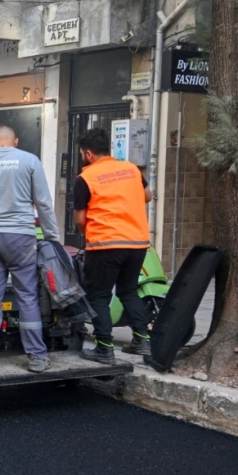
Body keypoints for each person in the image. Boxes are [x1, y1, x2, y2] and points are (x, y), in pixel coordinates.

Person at [0, 125, 61, 373]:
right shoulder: (29, 160)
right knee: (27, 296)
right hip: (21, 238)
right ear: (15, 141)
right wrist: (52, 237)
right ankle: (37, 357)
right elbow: (43, 203)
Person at [73, 127, 154, 362]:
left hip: (105, 245)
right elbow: (147, 196)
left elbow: (80, 219)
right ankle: (142, 340)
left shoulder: (86, 178)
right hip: (137, 243)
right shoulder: (131, 169)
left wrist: (89, 234)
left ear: (88, 154)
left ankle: (104, 348)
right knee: (128, 291)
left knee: (98, 296)